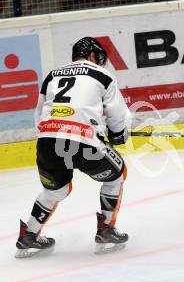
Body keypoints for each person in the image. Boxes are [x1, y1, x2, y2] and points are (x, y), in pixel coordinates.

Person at [15, 37, 131, 258]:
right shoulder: (103, 75)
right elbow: (117, 115)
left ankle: (29, 234)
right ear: (91, 55)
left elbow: (39, 114)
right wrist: (116, 136)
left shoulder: (52, 75)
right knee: (116, 174)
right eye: (99, 58)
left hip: (47, 141)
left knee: (56, 189)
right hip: (83, 142)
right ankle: (106, 229)